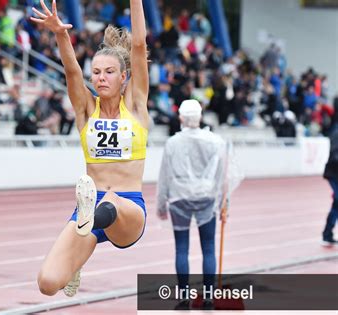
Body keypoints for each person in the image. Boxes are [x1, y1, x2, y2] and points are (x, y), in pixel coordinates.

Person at [31, 0, 149, 297]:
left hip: (127, 209)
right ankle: (78, 256)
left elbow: (138, 44)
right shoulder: (86, 110)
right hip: (89, 210)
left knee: (108, 199)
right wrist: (60, 33)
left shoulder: (134, 105)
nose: (101, 78)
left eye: (109, 72)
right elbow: (71, 73)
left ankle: (92, 217)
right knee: (48, 284)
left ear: (124, 78)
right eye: (96, 72)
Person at [156, 99, 228, 310]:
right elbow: (223, 176)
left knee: (181, 248)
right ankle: (208, 297)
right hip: (206, 197)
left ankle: (184, 297)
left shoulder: (173, 143)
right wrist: (225, 203)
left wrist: (161, 203)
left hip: (179, 197)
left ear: (181, 118)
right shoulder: (215, 141)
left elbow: (165, 175)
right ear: (200, 116)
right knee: (208, 248)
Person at [322, 126, 338, 246]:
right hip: (334, 173)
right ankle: (327, 234)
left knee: (336, 204)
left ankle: (327, 234)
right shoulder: (336, 132)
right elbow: (334, 155)